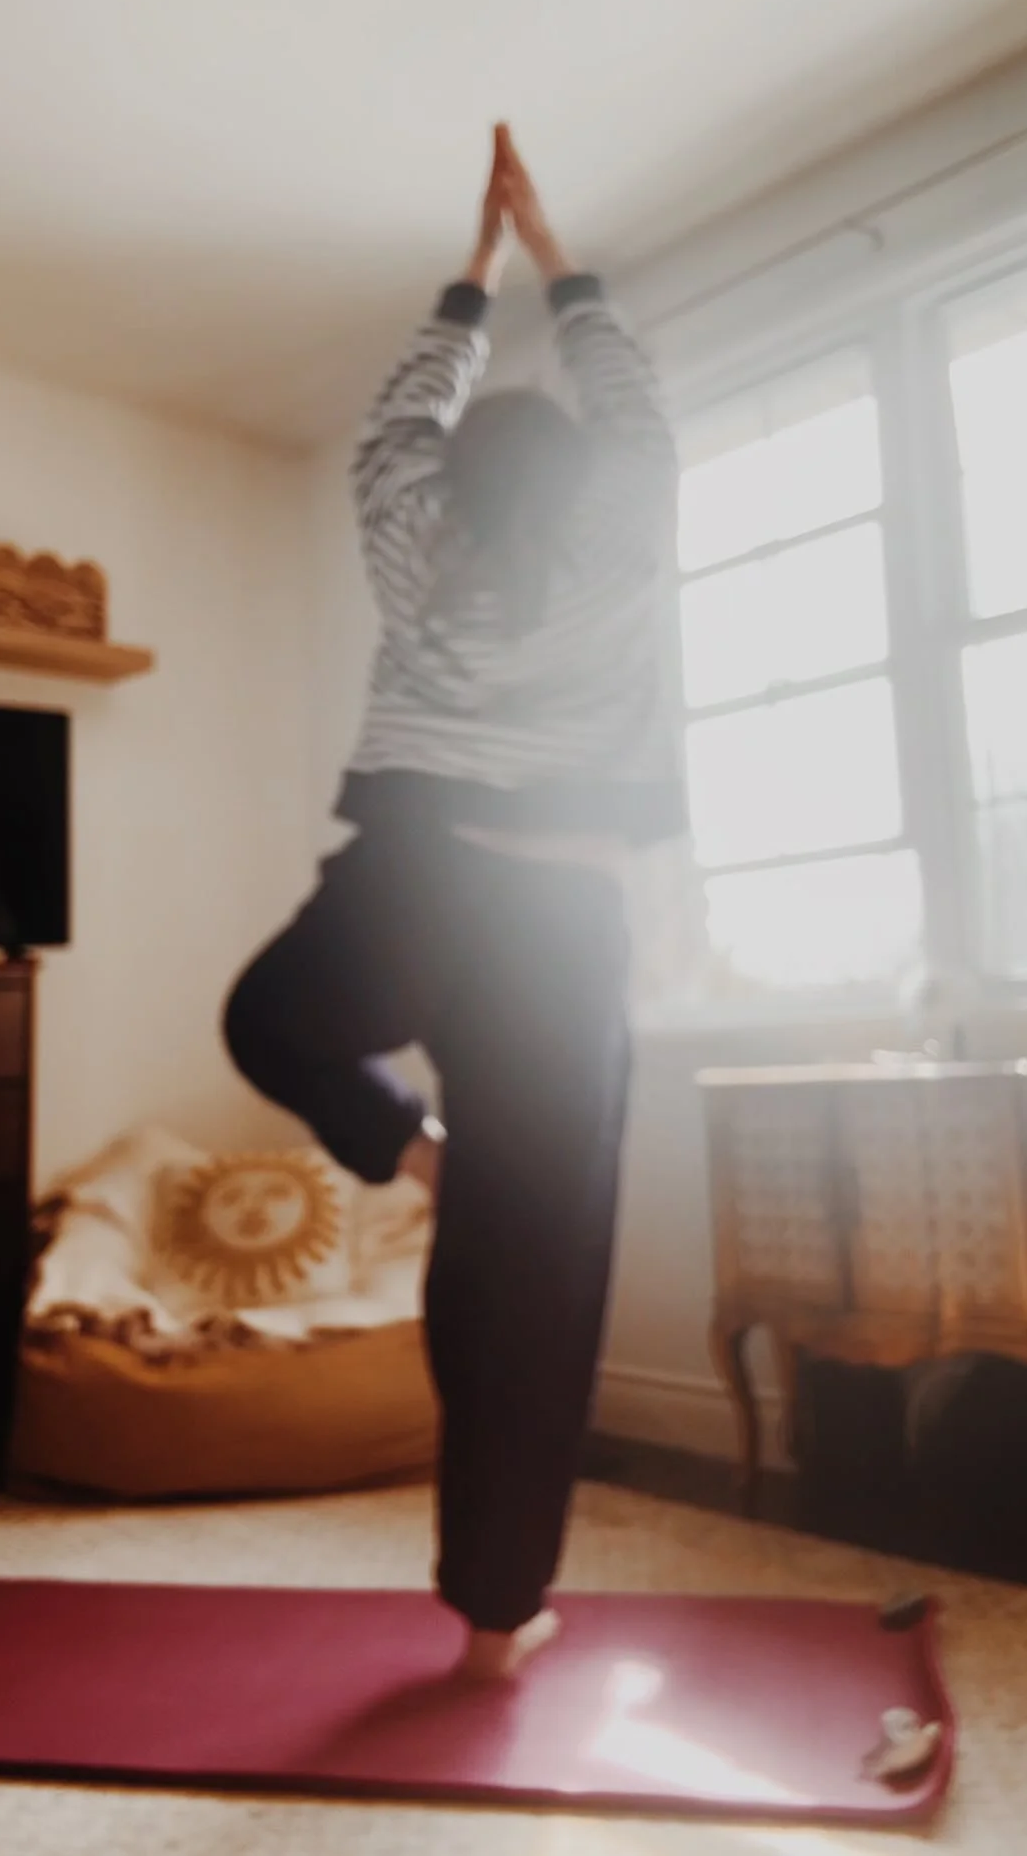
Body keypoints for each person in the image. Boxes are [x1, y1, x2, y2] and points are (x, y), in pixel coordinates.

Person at [223, 125, 684, 1682]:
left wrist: (475, 271)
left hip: (417, 881)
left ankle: (411, 1145)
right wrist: (555, 255)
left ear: (457, 483)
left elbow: (398, 417)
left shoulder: (413, 528)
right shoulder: (626, 526)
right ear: (584, 480)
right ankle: (496, 1618)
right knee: (530, 1275)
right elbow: (629, 398)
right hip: (558, 925)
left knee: (269, 1019)